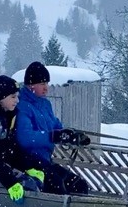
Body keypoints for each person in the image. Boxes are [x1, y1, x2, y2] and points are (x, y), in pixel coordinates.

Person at [14, 61, 92, 195]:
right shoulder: (22, 106)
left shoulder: (45, 104)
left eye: (47, 83)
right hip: (28, 162)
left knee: (78, 184)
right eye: (42, 84)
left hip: (45, 161)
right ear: (31, 85)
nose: (46, 88)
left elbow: (55, 126)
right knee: (57, 187)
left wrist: (70, 135)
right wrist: (52, 136)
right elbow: (25, 138)